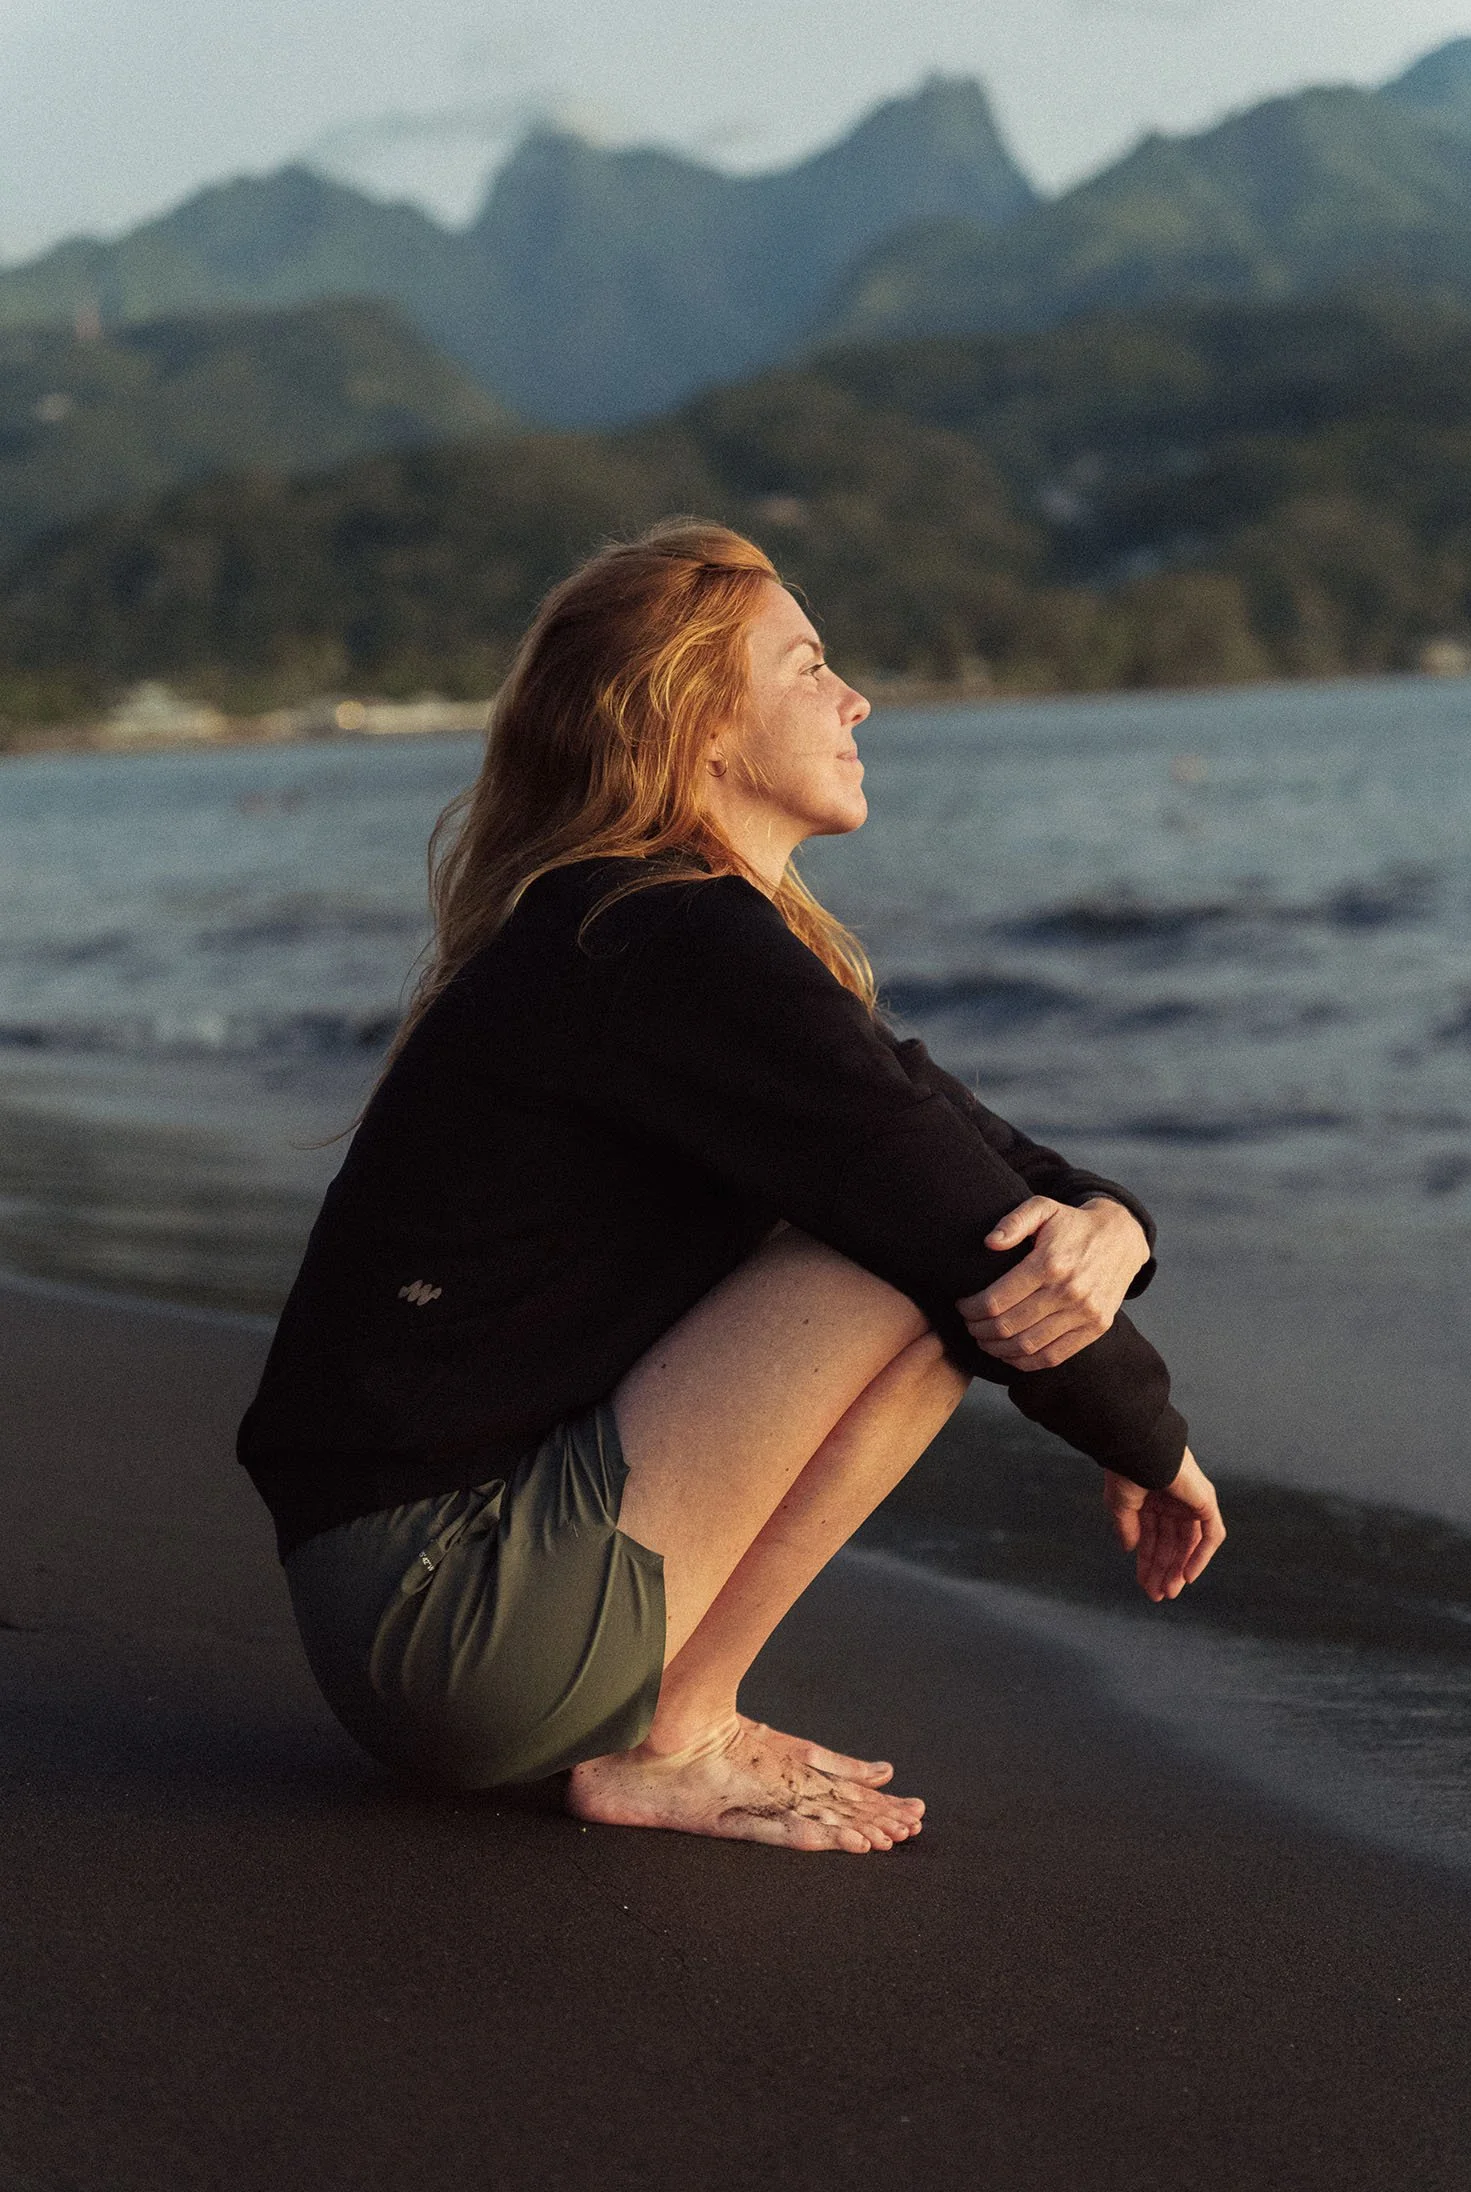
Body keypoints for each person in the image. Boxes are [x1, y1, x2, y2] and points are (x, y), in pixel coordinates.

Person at [237, 520, 1224, 1855]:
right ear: (697, 721)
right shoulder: (661, 937)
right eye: (810, 664)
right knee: (901, 1256)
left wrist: (1115, 1226)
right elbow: (960, 1221)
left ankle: (673, 1718)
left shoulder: (656, 925)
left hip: (418, 1596)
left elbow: (963, 1143)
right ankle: (675, 1733)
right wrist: (1145, 1438)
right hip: (445, 1611)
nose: (855, 698)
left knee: (924, 1227)